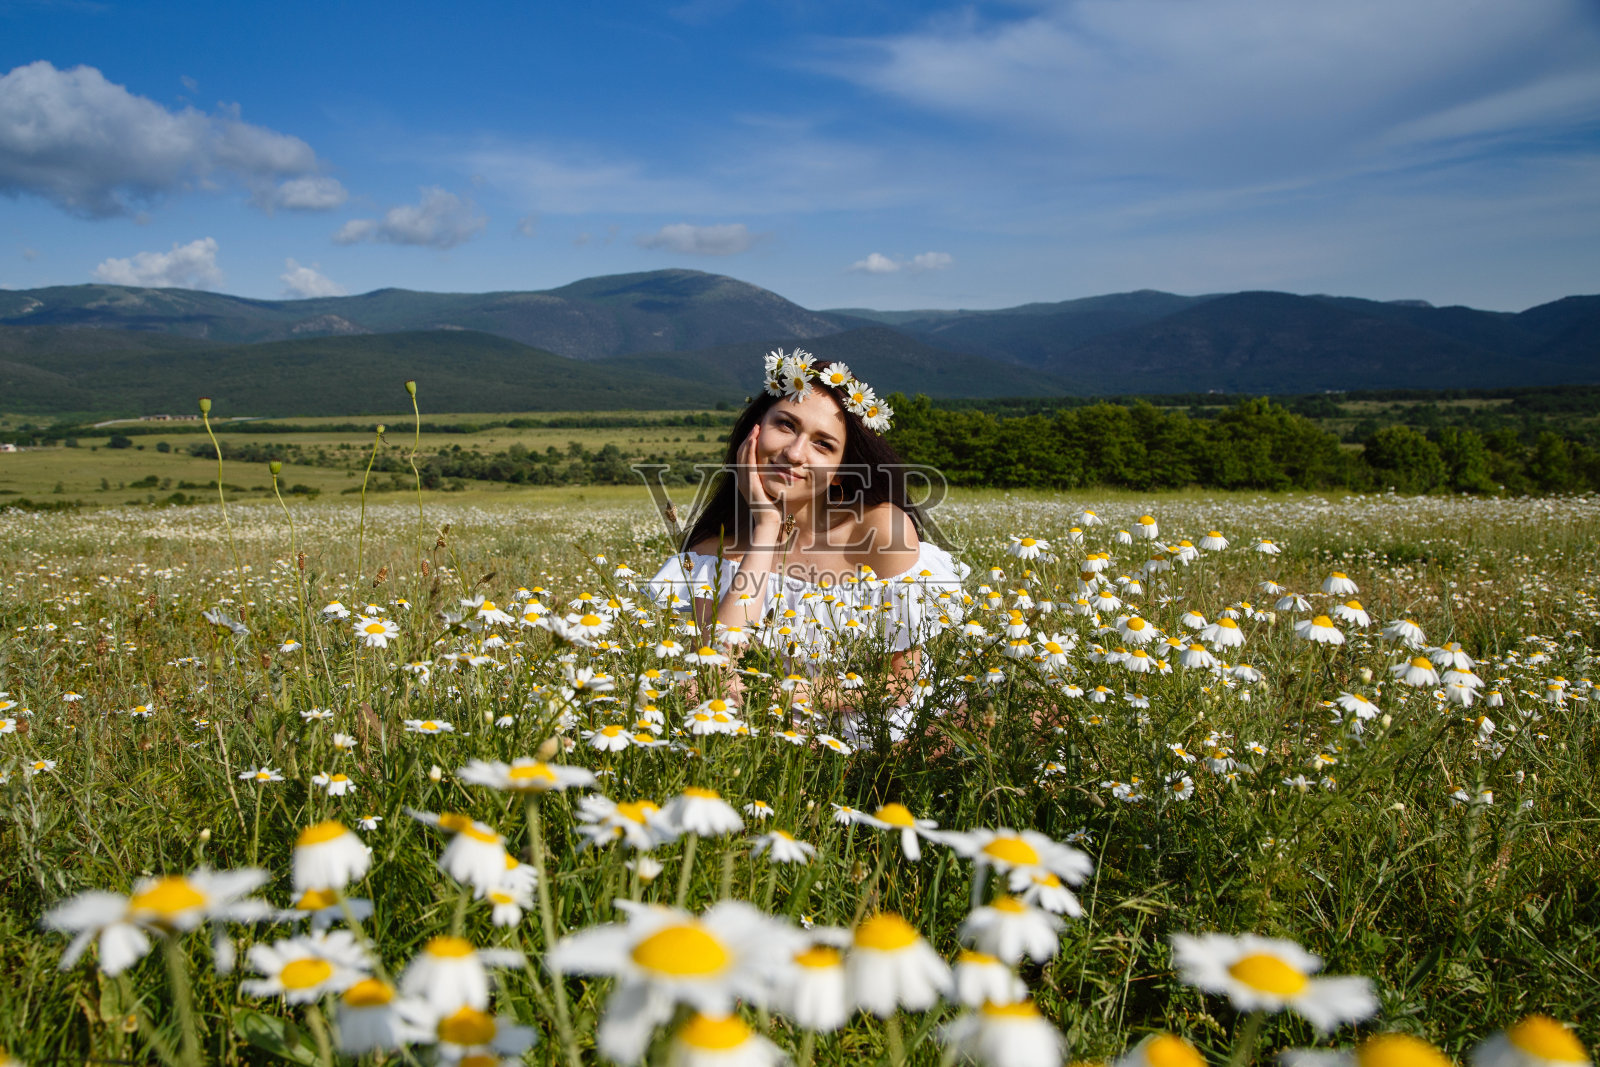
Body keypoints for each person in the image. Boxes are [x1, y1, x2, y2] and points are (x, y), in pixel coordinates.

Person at [646, 350, 969, 739]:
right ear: (755, 430)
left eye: (823, 445)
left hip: (884, 734)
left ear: (839, 473)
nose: (795, 454)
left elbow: (902, 683)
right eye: (785, 425)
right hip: (766, 739)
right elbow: (714, 675)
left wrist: (795, 693)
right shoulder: (709, 554)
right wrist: (766, 529)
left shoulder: (880, 531)